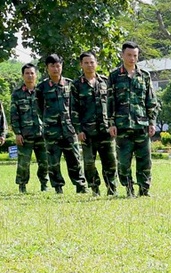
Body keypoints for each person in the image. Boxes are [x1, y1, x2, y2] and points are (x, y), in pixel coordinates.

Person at [107, 42, 159, 197]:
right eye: (129, 55)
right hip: (122, 126)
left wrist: (152, 122)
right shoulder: (114, 76)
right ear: (122, 55)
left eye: (135, 55)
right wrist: (111, 123)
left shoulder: (145, 76)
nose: (132, 58)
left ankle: (144, 190)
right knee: (123, 163)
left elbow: (151, 101)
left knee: (145, 161)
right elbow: (110, 101)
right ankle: (129, 189)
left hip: (141, 125)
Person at [36, 53, 88, 194]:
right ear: (47, 68)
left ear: (62, 66)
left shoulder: (71, 84)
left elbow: (77, 106)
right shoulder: (41, 88)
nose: (55, 69)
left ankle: (81, 186)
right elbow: (39, 108)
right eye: (52, 66)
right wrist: (48, 121)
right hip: (51, 131)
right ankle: (58, 187)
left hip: (69, 129)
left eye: (58, 65)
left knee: (75, 159)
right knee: (53, 161)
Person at [73, 52, 117, 196]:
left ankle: (112, 189)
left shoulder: (105, 81)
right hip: (87, 132)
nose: (89, 65)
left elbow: (112, 105)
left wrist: (112, 124)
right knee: (89, 163)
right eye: (86, 63)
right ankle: (94, 188)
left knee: (110, 162)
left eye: (92, 62)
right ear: (81, 65)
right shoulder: (76, 85)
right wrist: (78, 130)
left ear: (96, 63)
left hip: (105, 130)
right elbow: (73, 110)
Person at [9, 63, 49, 193]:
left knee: (45, 162)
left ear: (36, 75)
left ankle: (45, 185)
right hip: (25, 134)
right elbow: (14, 115)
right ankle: (22, 186)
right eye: (27, 73)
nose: (30, 76)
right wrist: (17, 133)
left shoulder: (42, 91)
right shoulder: (17, 94)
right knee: (23, 163)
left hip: (42, 133)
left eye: (32, 73)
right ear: (23, 75)